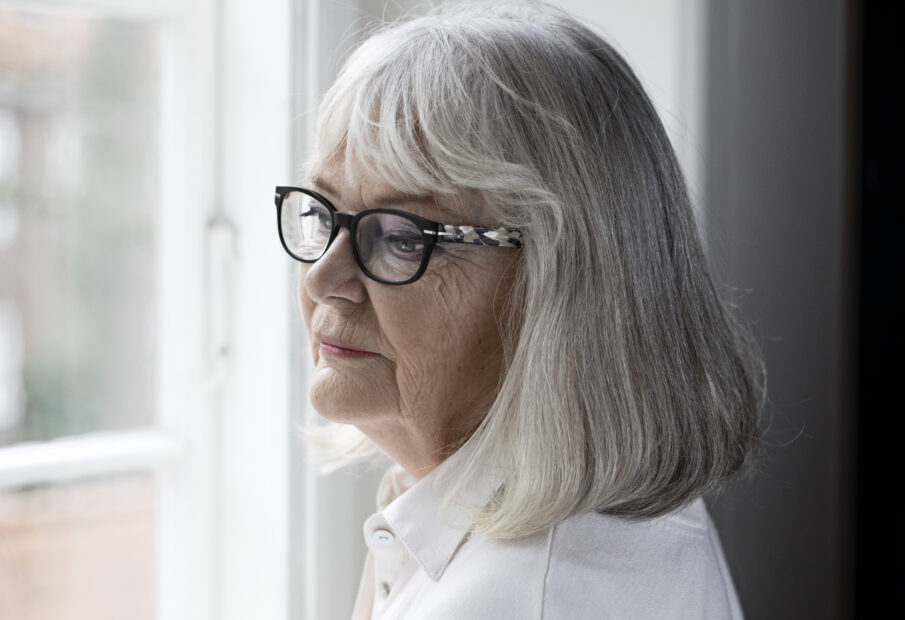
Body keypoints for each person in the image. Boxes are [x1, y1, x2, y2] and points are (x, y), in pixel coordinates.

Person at [274, 2, 765, 618]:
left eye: (401, 238)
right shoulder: (560, 513)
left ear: (558, 283)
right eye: (321, 213)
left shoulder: (523, 596)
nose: (323, 278)